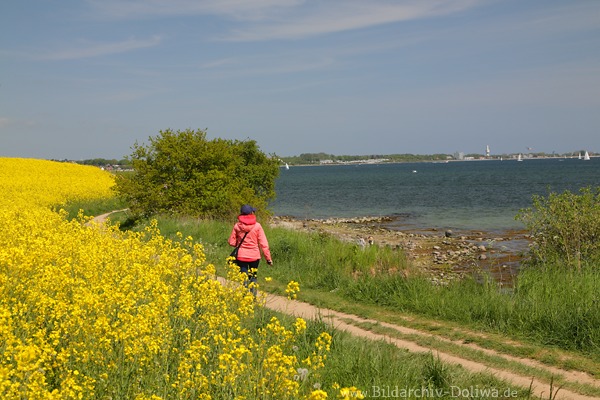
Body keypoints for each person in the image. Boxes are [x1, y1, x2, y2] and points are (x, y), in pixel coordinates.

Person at [228, 204, 273, 296]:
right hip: (254, 257)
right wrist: (268, 259)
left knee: (243, 277)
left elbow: (231, 242)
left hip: (241, 256)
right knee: (253, 277)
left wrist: (240, 244)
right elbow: (264, 244)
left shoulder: (237, 226)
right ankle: (253, 298)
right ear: (252, 213)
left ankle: (244, 298)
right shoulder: (257, 226)